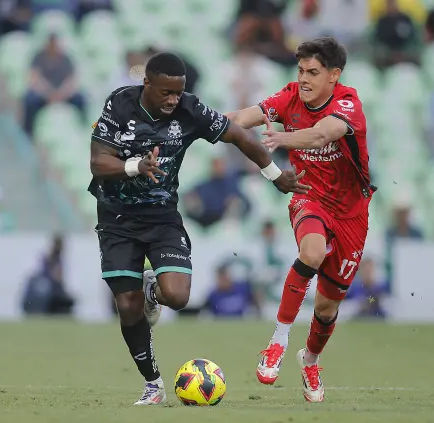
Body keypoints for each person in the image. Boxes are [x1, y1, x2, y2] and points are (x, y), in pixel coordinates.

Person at [89, 52, 310, 406]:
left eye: (178, 93)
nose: (173, 100)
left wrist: (274, 176)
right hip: (116, 217)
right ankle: (153, 384)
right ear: (147, 84)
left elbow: (240, 136)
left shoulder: (189, 110)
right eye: (166, 93)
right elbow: (97, 162)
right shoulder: (119, 103)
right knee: (126, 306)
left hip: (161, 215)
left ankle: (152, 290)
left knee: (177, 296)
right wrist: (134, 166)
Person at [225, 37, 376, 402]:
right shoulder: (290, 96)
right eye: (301, 71)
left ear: (334, 75)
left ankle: (309, 359)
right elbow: (244, 117)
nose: (304, 79)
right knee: (311, 252)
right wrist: (204, 124)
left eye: (313, 72)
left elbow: (324, 133)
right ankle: (276, 342)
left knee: (327, 308)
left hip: (352, 214)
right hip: (308, 198)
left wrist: (284, 137)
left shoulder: (348, 104)